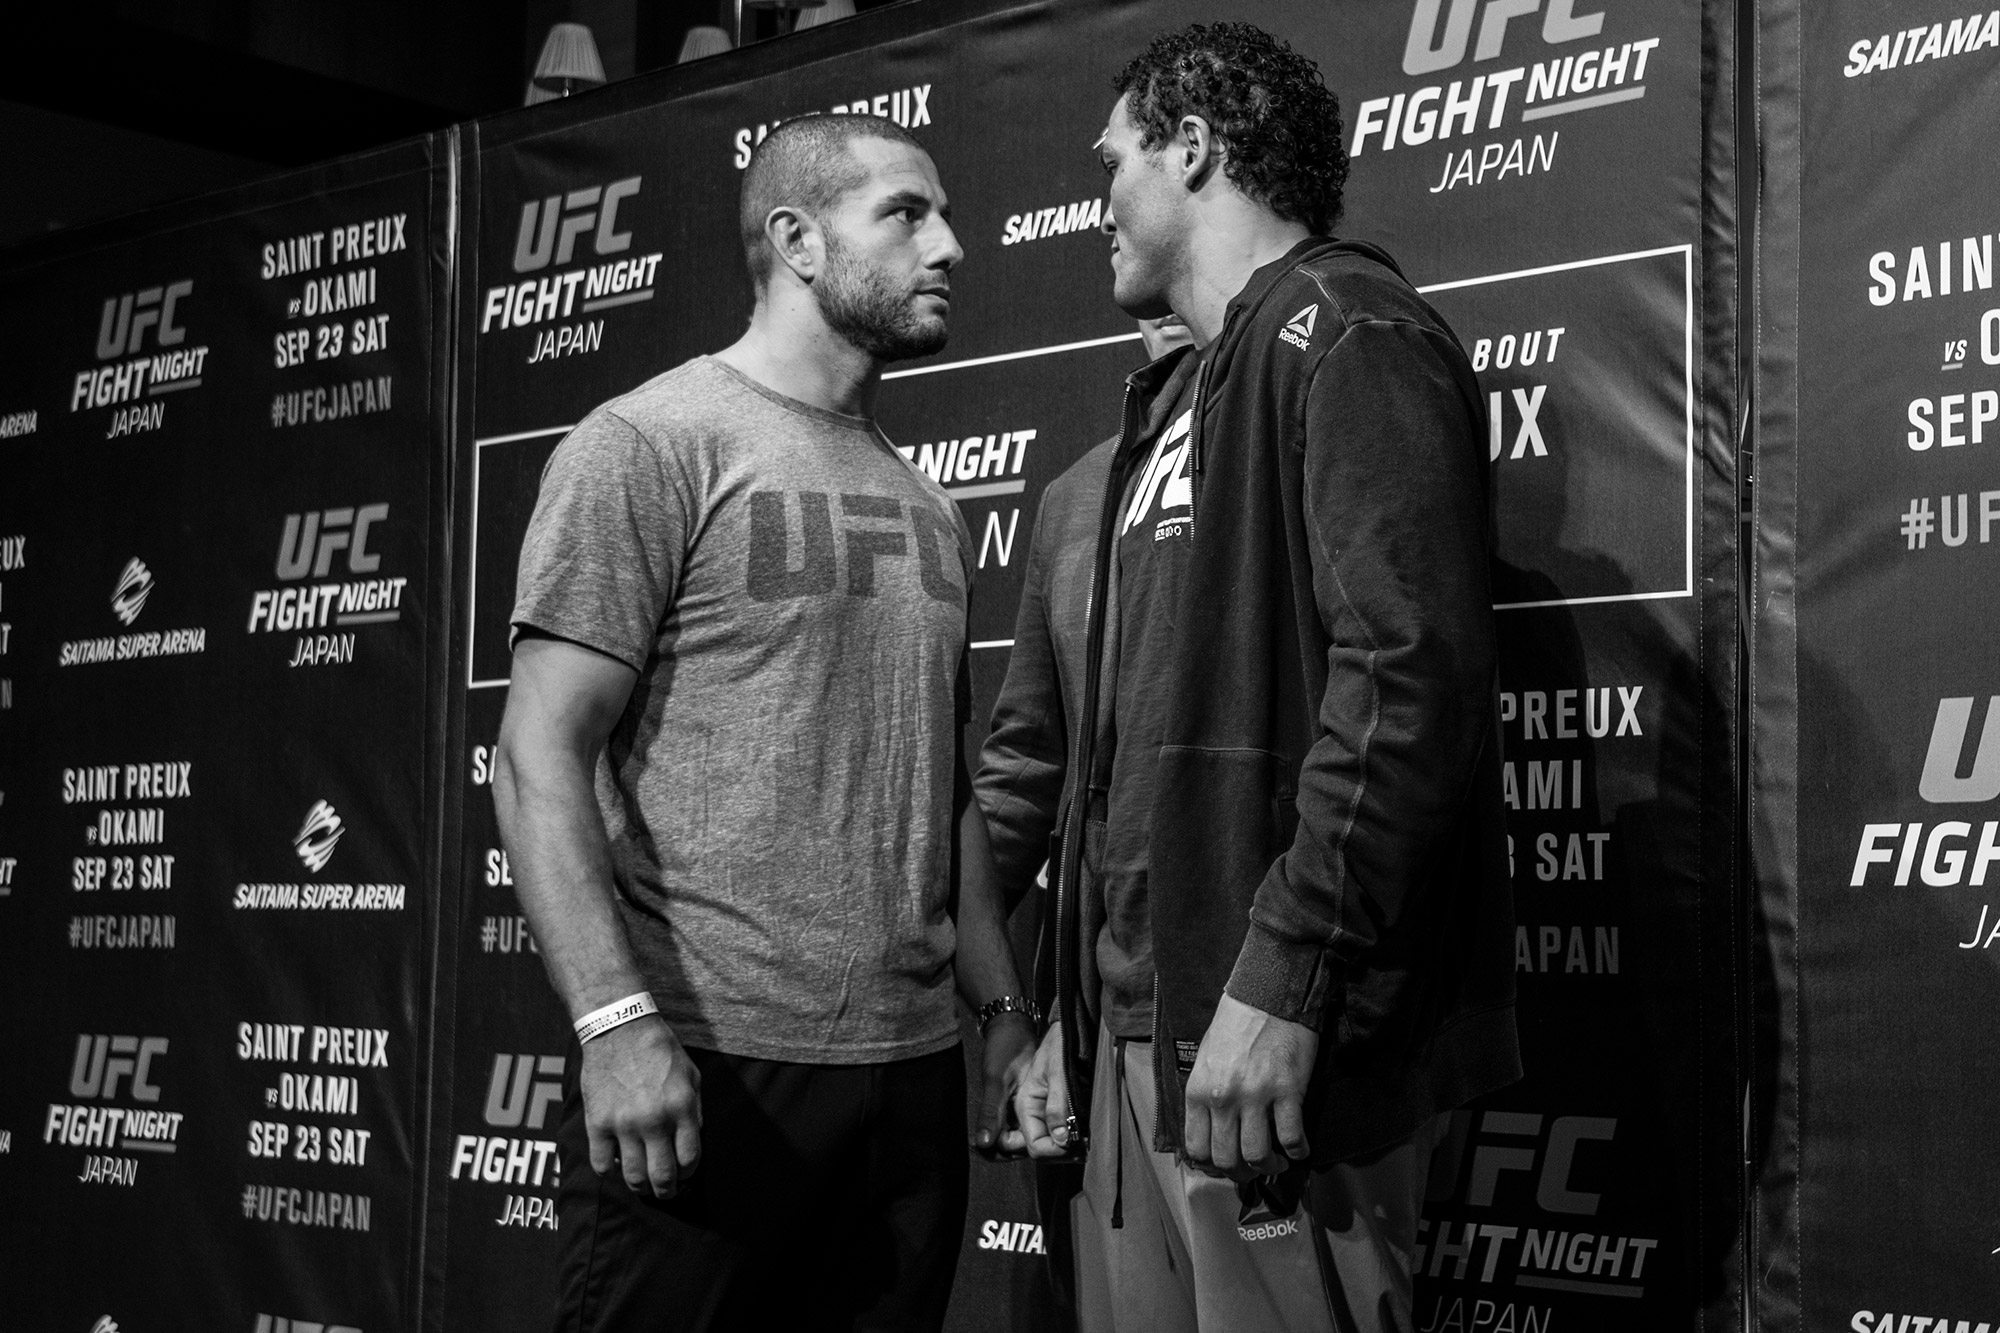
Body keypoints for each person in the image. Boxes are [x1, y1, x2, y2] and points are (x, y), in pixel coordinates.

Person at [1010, 24, 1521, 1333]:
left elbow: (1408, 688)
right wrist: (1078, 1006)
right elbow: (1115, 760)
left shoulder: (1345, 330)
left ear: (1194, 150)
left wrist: (1285, 979)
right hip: (1147, 1034)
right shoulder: (1189, 401)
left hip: (1272, 1045)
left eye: (1113, 161)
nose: (1097, 200)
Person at [492, 113, 1038, 1333]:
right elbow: (538, 755)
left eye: (941, 214)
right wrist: (616, 1025)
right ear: (795, 239)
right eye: (905, 212)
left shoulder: (927, 506)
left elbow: (939, 787)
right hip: (711, 1068)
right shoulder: (650, 444)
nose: (947, 243)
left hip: (905, 1089)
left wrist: (1000, 1015)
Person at [975, 312, 1195, 1326]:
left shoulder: (1299, 423)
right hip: (1096, 1019)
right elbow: (1025, 763)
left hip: (1256, 1013)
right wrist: (961, 977)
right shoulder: (1072, 495)